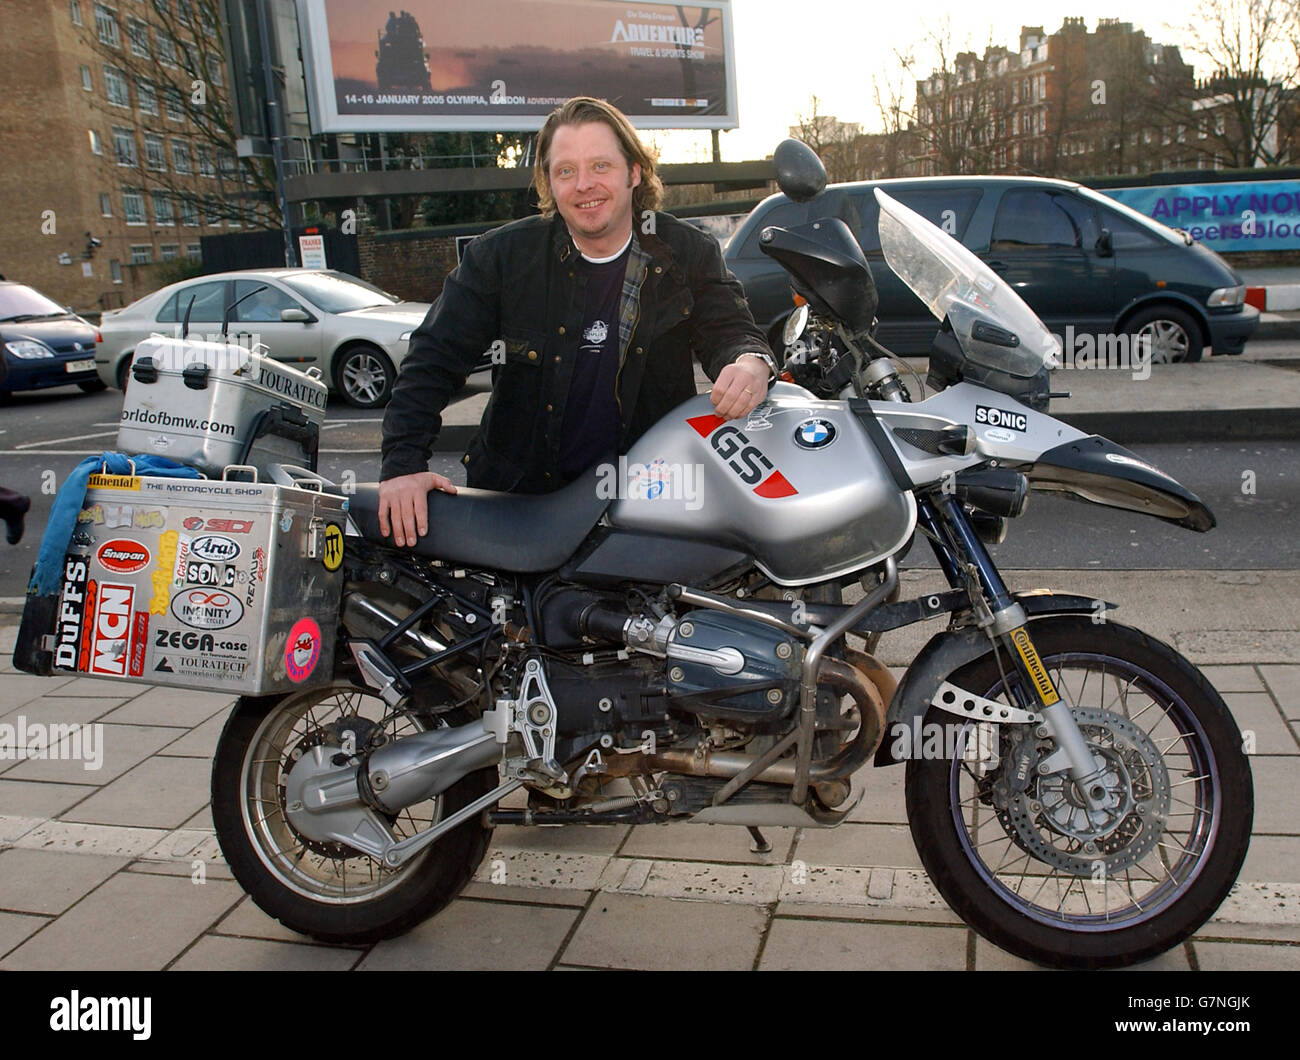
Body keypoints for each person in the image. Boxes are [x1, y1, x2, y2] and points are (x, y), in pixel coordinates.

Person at [378, 96, 777, 547]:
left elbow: (732, 330)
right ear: (549, 183)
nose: (584, 185)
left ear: (634, 172)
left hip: (646, 504)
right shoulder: (501, 258)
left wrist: (749, 362)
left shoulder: (687, 252)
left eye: (600, 166)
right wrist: (403, 466)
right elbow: (432, 358)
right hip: (517, 505)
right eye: (566, 171)